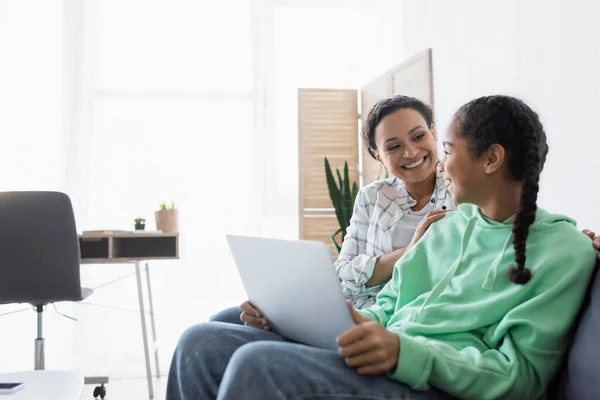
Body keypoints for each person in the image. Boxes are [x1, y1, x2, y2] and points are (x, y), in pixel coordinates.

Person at [167, 95, 598, 399]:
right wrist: (327, 319)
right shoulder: (445, 228)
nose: (440, 161)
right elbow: (387, 305)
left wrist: (404, 353)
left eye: (445, 148)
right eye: (393, 145)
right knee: (199, 343)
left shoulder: (563, 252)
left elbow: (520, 378)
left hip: (433, 383)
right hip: (388, 358)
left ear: (491, 159)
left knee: (254, 366)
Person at [210, 95, 600, 328]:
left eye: (420, 137)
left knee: (241, 353)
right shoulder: (372, 197)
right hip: (368, 312)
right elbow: (343, 276)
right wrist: (408, 252)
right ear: (378, 156)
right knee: (223, 323)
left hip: (393, 324)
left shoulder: (466, 197)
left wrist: (572, 240)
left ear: (434, 133)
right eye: (394, 146)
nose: (412, 153)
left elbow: (513, 211)